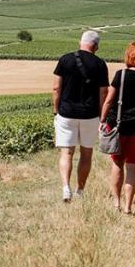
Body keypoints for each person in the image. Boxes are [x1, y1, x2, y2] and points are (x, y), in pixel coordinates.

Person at [98, 41, 135, 214]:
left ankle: (116, 202)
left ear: (128, 57)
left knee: (117, 164)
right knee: (132, 167)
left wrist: (102, 120)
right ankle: (128, 206)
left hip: (117, 126)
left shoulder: (120, 75)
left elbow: (109, 100)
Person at [52, 30, 109, 202]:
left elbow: (56, 88)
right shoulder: (100, 64)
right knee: (86, 154)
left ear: (81, 42)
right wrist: (101, 116)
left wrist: (56, 110)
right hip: (90, 115)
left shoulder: (65, 59)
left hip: (66, 113)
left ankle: (65, 188)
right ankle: (80, 190)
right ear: (96, 46)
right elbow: (103, 93)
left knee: (66, 153)